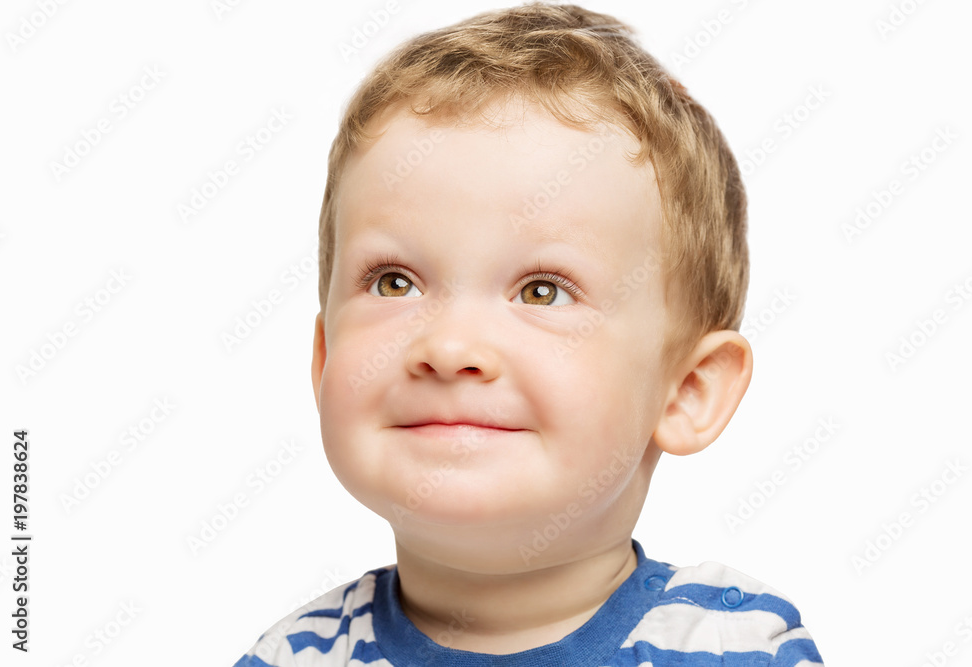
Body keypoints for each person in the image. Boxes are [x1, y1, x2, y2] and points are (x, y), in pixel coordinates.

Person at [235, 2, 823, 664]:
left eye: (542, 290)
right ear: (323, 360)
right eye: (394, 282)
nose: (450, 348)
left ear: (686, 390)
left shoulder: (728, 647)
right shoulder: (296, 654)